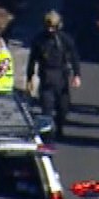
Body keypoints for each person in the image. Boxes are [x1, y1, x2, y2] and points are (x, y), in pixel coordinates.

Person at [26, 10, 81, 138]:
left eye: (53, 27)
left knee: (63, 108)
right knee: (46, 110)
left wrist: (77, 74)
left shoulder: (64, 39)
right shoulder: (39, 41)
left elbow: (74, 56)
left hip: (61, 78)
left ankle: (60, 126)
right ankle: (47, 134)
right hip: (46, 78)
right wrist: (30, 78)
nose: (50, 30)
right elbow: (32, 60)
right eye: (48, 27)